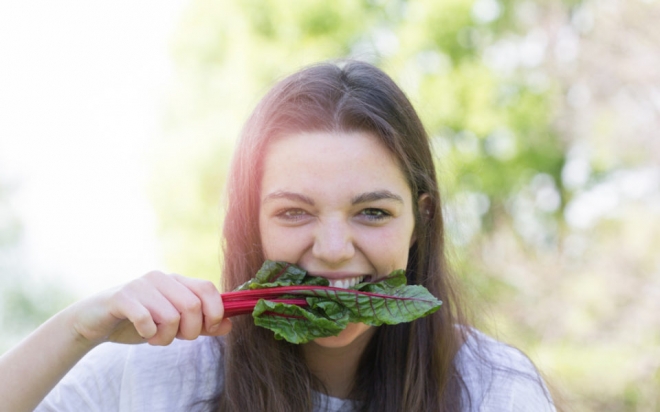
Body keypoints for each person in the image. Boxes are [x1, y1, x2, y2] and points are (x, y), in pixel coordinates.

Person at [0, 60, 556, 411]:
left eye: (373, 213)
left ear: (421, 220)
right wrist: (78, 329)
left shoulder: (494, 390)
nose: (334, 249)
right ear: (252, 224)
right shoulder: (157, 369)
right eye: (294, 213)